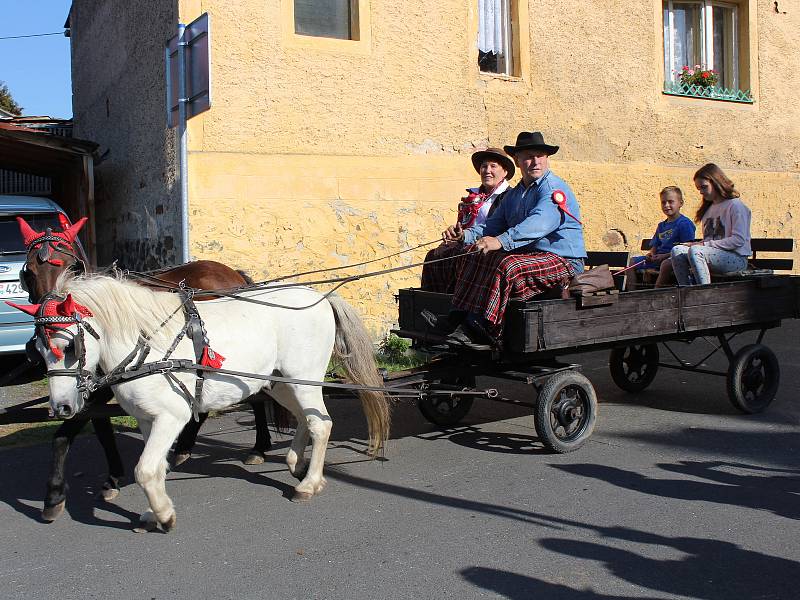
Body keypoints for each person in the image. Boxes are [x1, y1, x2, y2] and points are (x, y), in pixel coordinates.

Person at [432, 131, 587, 348]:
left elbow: (539, 223)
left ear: (546, 159)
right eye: (528, 157)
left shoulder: (553, 188)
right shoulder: (516, 194)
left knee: (507, 265)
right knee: (473, 255)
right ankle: (459, 316)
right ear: (518, 160)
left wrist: (501, 241)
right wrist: (464, 235)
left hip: (563, 260)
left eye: (539, 156)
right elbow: (492, 225)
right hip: (532, 257)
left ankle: (483, 326)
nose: (534, 162)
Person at [420, 148, 514, 293]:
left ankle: (457, 300)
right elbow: (466, 223)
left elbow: (500, 228)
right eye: (484, 166)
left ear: (505, 172)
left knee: (461, 257)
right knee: (434, 255)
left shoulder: (509, 197)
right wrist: (456, 233)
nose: (487, 170)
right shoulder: (474, 196)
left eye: (493, 166)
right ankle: (433, 301)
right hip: (467, 242)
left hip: (490, 247)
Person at [671, 163, 751, 285]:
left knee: (696, 251)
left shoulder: (735, 206)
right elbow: (708, 241)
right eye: (699, 189)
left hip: (736, 259)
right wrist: (697, 244)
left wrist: (703, 244)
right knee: (677, 250)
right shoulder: (708, 209)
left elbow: (738, 240)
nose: (701, 192)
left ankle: (704, 293)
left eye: (704, 187)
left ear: (715, 182)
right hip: (712, 255)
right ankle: (686, 291)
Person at [626, 186, 695, 290]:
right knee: (630, 263)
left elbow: (686, 248)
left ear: (680, 203)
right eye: (663, 202)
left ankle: (655, 293)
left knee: (665, 265)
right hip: (657, 259)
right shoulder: (661, 225)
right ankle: (631, 293)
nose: (666, 205)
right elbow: (655, 244)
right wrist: (651, 254)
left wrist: (664, 256)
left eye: (671, 202)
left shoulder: (684, 223)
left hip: (673, 259)